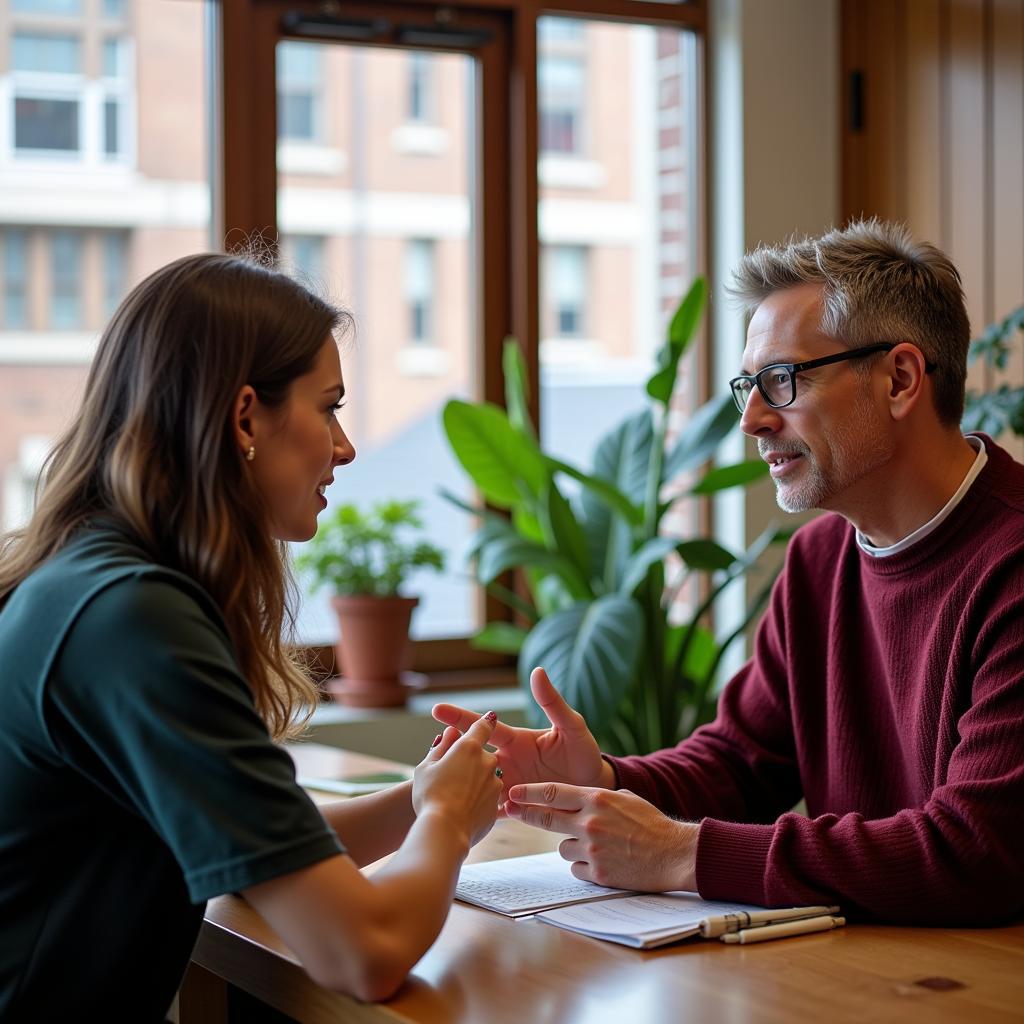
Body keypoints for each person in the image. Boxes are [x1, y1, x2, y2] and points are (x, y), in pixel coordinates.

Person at [434, 219, 1024, 926]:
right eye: (749, 383)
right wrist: (603, 780)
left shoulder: (1011, 563)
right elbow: (742, 762)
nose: (750, 420)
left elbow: (978, 851)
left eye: (780, 381)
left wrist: (685, 855)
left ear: (900, 379)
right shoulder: (817, 561)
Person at [0, 252, 503, 1020]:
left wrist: (427, 798)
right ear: (244, 418)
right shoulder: (134, 620)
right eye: (328, 407)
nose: (345, 447)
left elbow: (251, 846)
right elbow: (362, 951)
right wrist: (446, 825)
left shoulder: (91, 581)